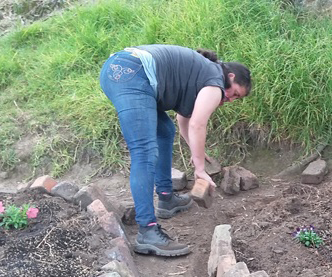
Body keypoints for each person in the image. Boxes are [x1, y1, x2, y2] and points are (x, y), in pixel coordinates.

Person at [100, 45, 251, 257]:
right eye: (234, 93)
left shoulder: (202, 75)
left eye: (236, 99)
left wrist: (195, 151)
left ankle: (166, 198)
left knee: (164, 131)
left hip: (123, 69)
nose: (230, 99)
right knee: (144, 152)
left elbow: (185, 120)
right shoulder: (215, 83)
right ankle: (147, 231)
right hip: (131, 74)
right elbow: (198, 124)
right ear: (231, 76)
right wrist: (199, 169)